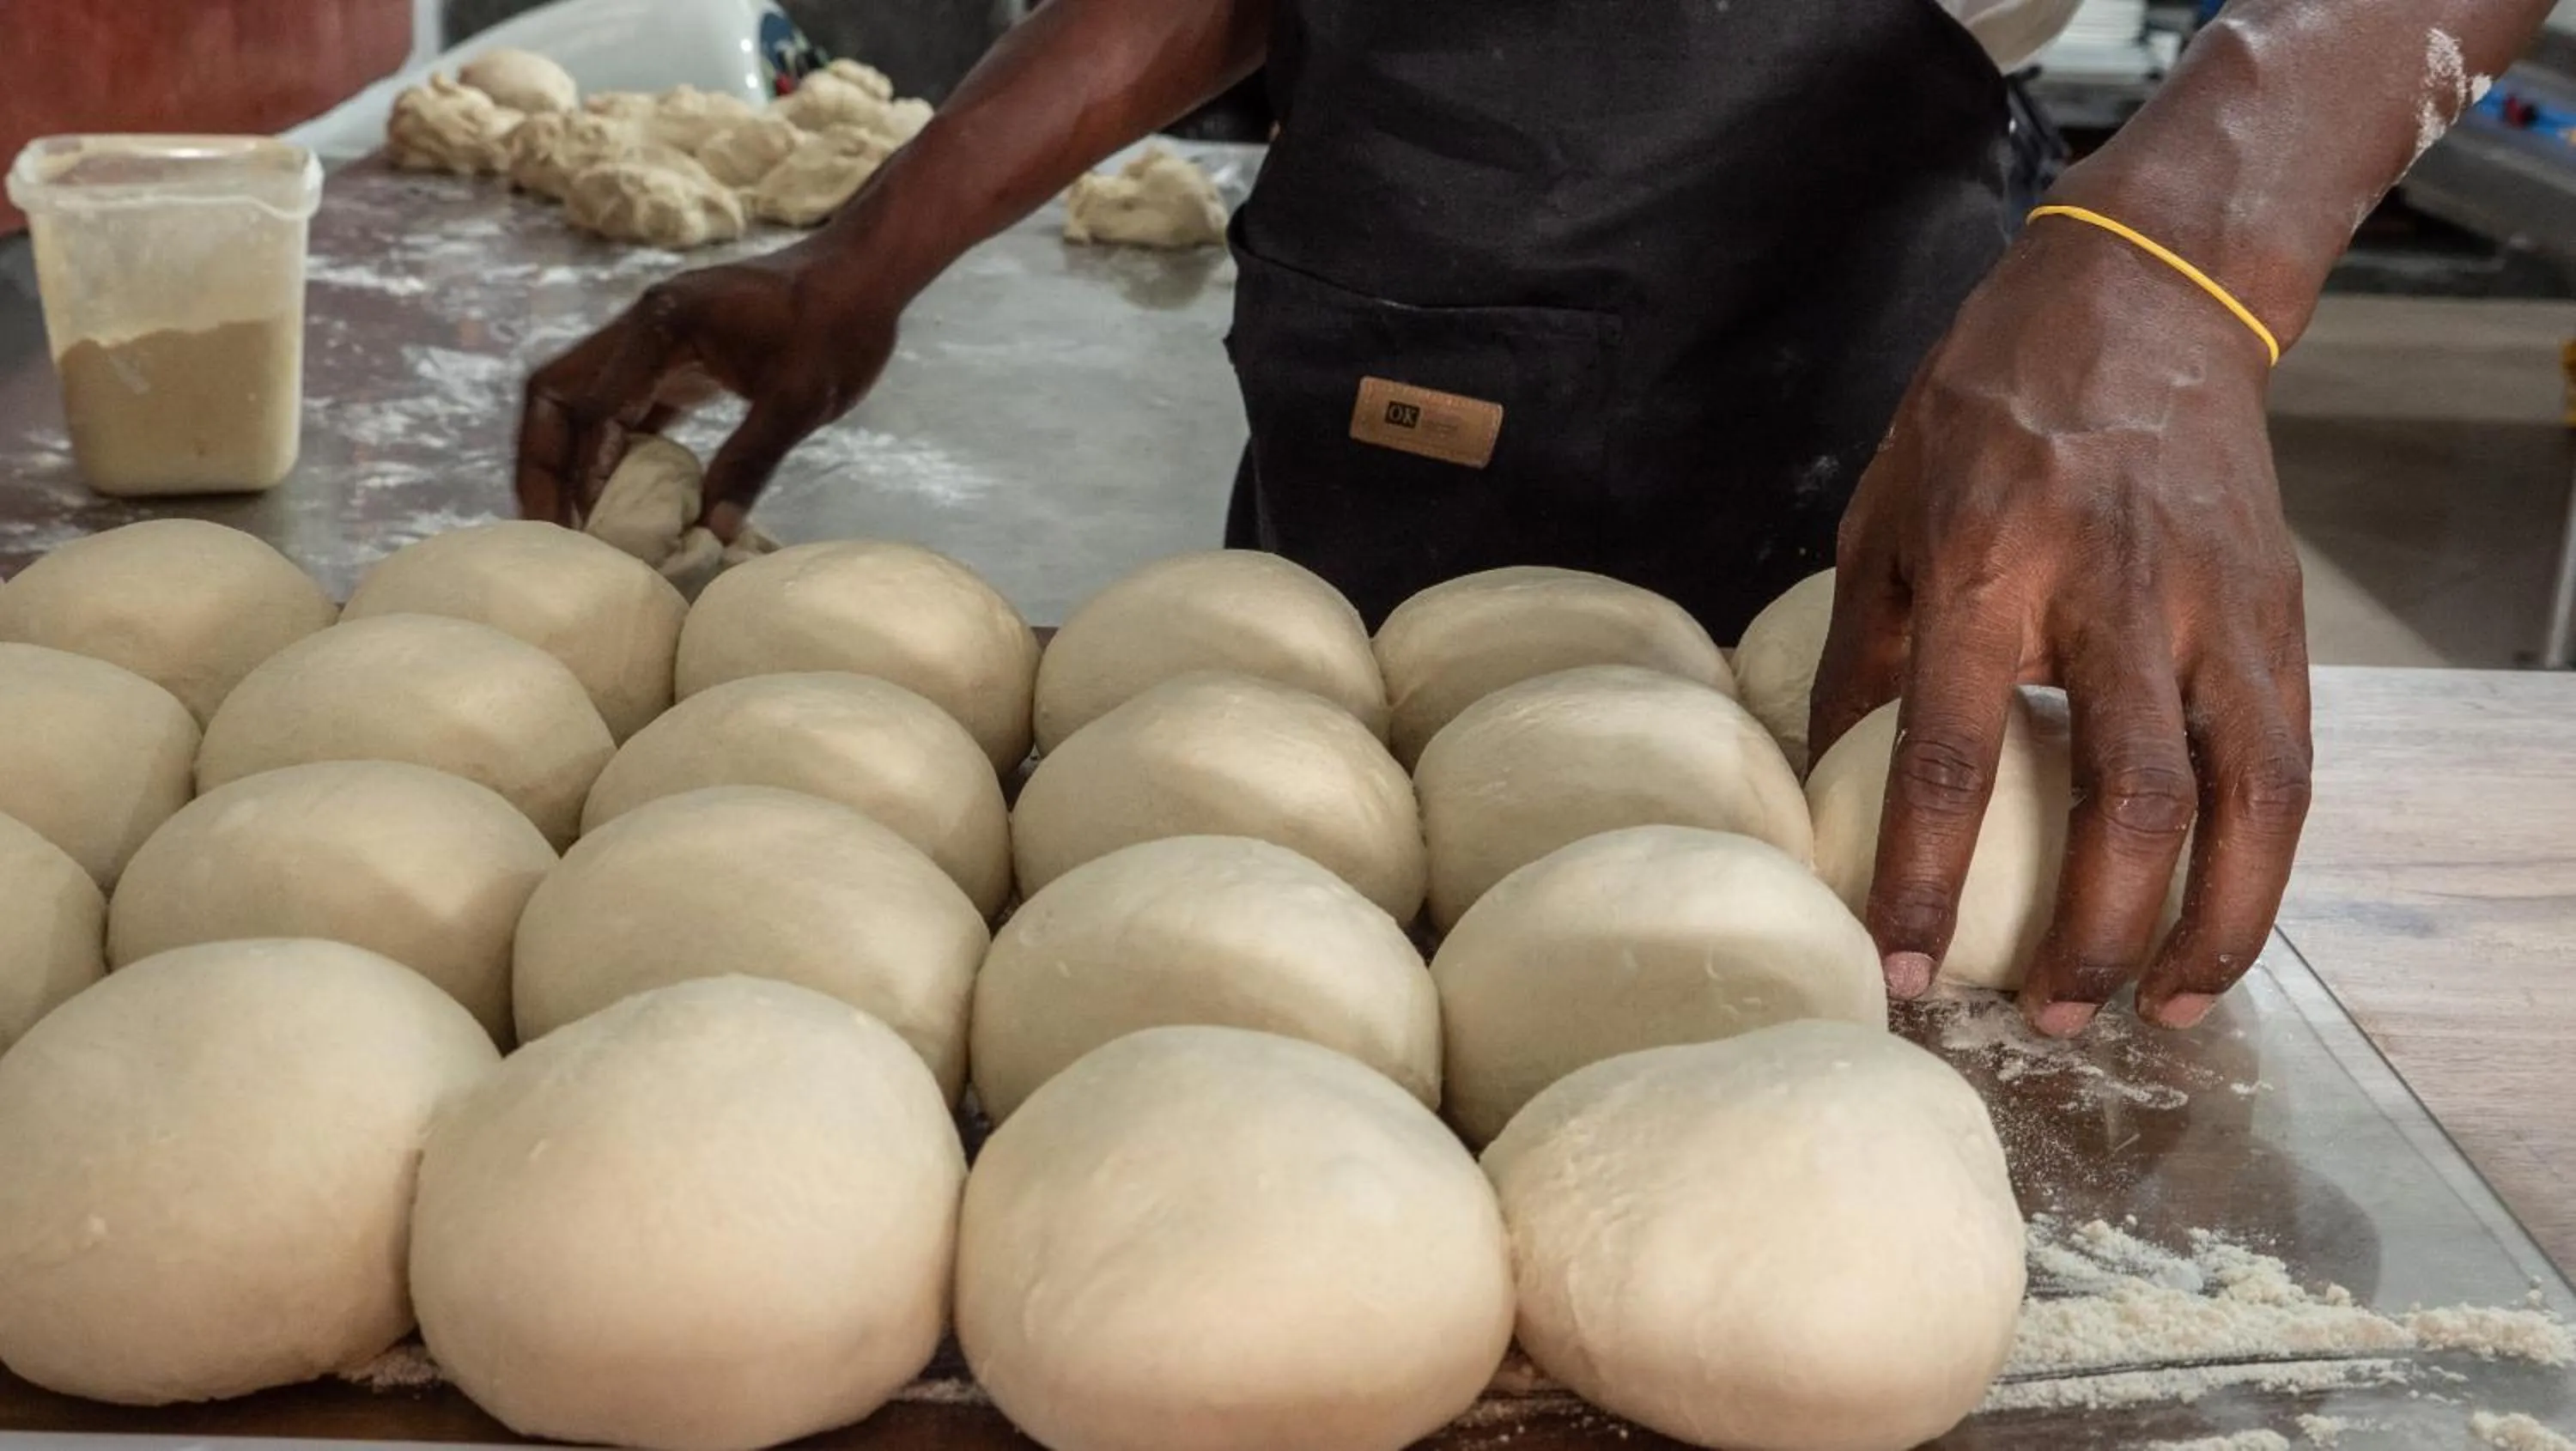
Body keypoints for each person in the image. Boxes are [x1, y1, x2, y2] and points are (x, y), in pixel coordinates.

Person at [514, 0, 2555, 1038]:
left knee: (1844, 894)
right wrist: (869, 252)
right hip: (1388, 316)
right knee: (1251, 834)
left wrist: (2182, 255)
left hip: (1846, 385)